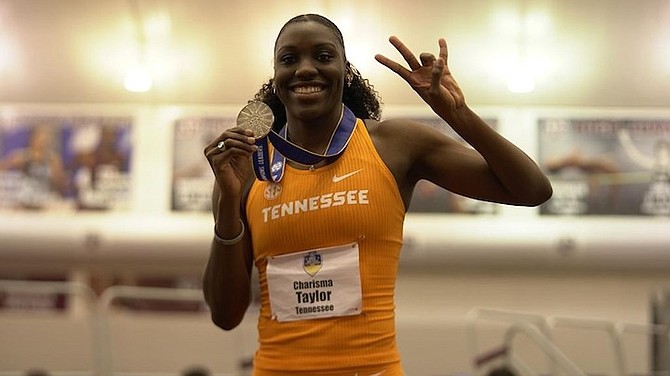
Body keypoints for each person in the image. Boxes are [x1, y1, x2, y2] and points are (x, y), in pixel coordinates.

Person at [202, 13, 552, 376]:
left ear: (346, 71)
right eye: (289, 59)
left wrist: (458, 113)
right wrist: (228, 204)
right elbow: (225, 316)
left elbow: (532, 190)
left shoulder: (394, 145)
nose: (305, 69)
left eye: (323, 56)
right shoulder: (247, 168)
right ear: (275, 79)